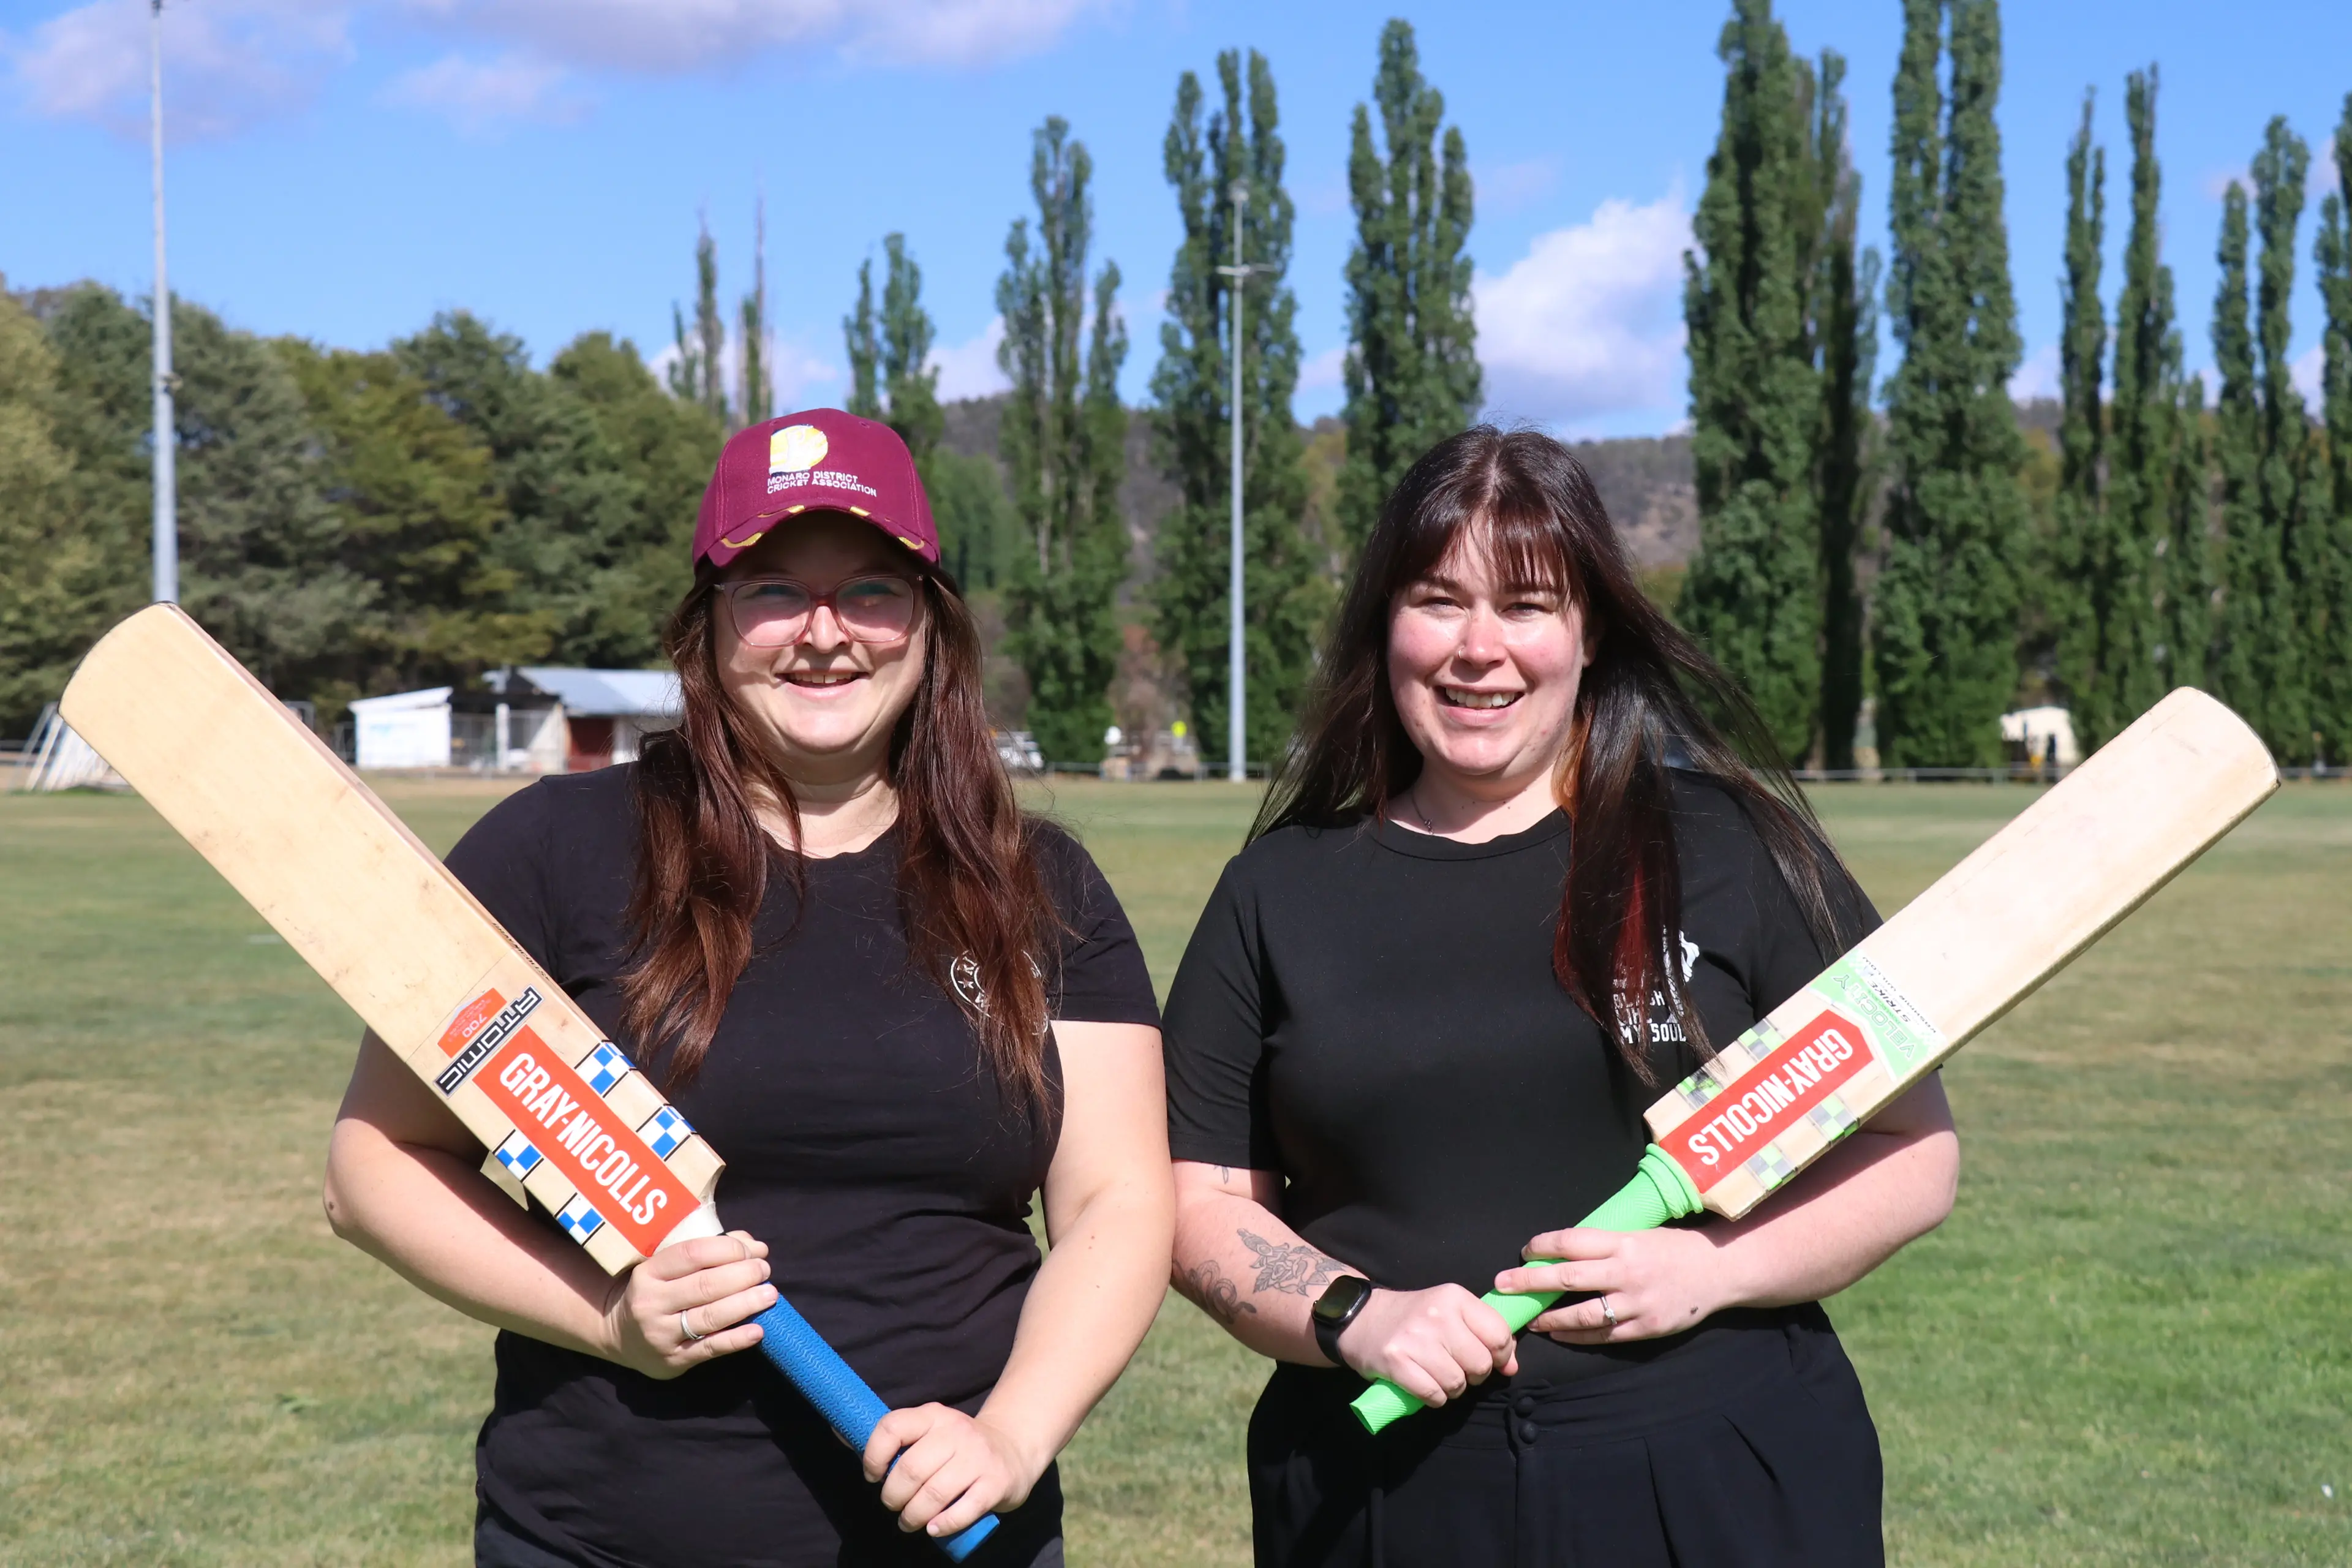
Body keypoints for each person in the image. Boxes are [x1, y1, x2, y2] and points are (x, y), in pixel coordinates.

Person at [324, 409, 1172, 1567]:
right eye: (774, 590)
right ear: (709, 624)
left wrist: (1012, 1437)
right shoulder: (552, 852)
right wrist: (610, 1320)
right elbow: (375, 1165)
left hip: (954, 1532)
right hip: (599, 1537)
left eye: (872, 590)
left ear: (929, 623)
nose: (825, 635)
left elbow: (1120, 1205)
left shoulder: (1038, 882)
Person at [1162, 428, 1959, 1566]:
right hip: (1382, 1491)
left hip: (1714, 1469)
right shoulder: (1277, 892)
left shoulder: (1731, 851)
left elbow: (1910, 1149)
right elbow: (1200, 1213)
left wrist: (1713, 1272)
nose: (1479, 648)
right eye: (1438, 600)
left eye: (1528, 605)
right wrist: (1357, 1315)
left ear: (1591, 636)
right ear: (1384, 626)